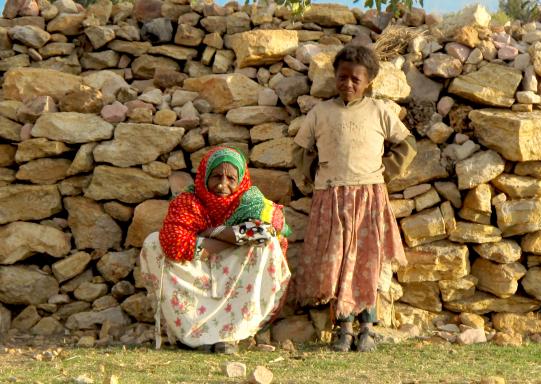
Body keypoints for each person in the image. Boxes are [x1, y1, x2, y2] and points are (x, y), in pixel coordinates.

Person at [293, 45, 417, 353]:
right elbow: (299, 149)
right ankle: (344, 328)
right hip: (331, 196)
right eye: (342, 77)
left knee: (367, 261)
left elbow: (407, 144)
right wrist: (316, 175)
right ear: (335, 77)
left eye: (355, 79)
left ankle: (367, 329)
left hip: (369, 196)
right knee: (337, 262)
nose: (348, 84)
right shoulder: (320, 113)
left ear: (369, 81)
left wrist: (385, 172)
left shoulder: (378, 111)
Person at [140, 146, 291, 354]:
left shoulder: (250, 201)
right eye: (216, 177)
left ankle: (232, 335)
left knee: (269, 243)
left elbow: (266, 231)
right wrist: (231, 237)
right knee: (153, 242)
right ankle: (193, 334)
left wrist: (212, 231)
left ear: (241, 180)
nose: (222, 185)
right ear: (204, 177)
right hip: (197, 266)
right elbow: (174, 242)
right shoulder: (188, 202)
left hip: (236, 268)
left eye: (231, 178)